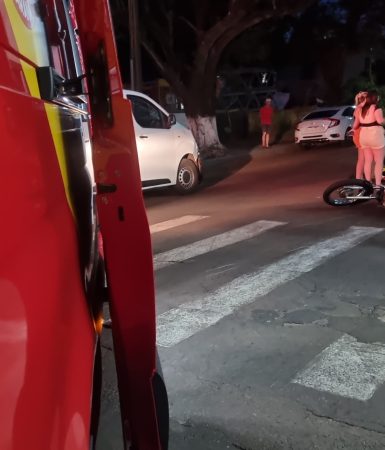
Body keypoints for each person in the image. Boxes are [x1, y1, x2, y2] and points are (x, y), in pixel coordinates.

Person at [353, 90, 385, 187]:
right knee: (379, 161)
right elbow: (380, 121)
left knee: (367, 161)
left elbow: (355, 126)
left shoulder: (359, 110)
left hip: (364, 137)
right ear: (375, 98)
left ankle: (368, 183)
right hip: (375, 136)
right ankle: (378, 185)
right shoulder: (376, 108)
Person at [352, 91, 367, 179]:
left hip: (362, 134)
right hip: (361, 134)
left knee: (363, 159)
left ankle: (360, 179)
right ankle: (360, 179)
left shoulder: (360, 108)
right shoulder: (360, 108)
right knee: (363, 159)